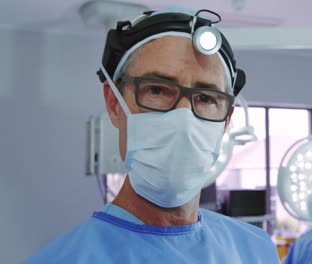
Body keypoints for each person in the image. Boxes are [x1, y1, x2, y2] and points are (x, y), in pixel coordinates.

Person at [25, 6, 279, 263]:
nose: (184, 120)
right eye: (157, 90)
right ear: (114, 103)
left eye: (205, 98)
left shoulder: (255, 250)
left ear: (226, 120)